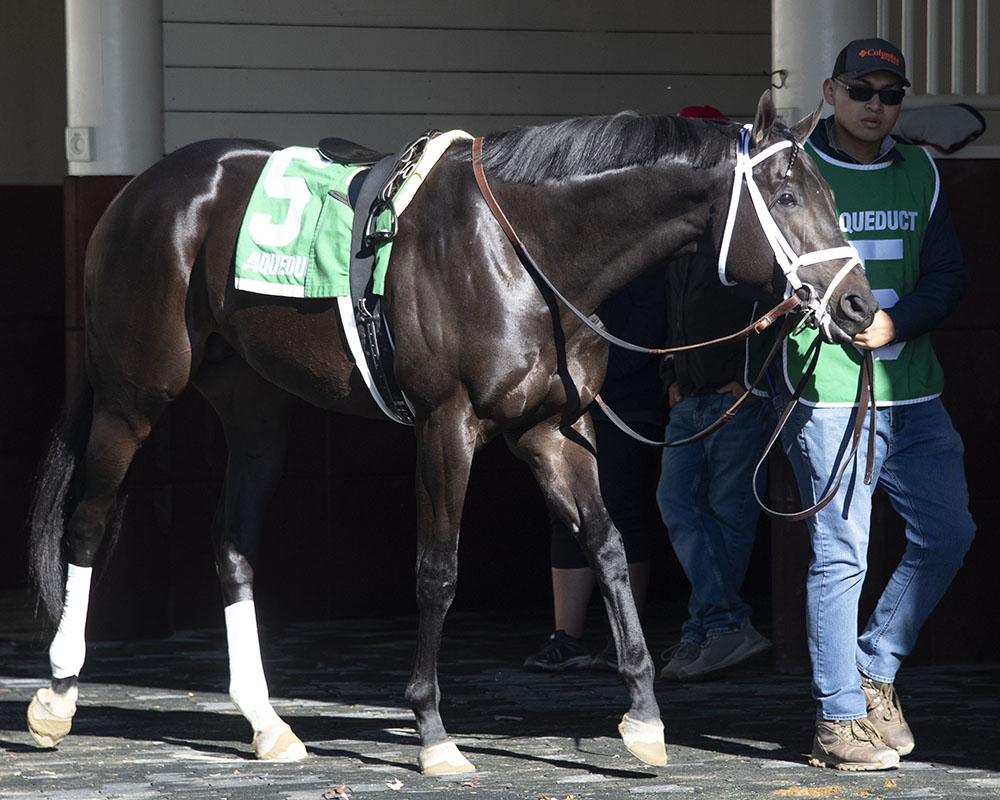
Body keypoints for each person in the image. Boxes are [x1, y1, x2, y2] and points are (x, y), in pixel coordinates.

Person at [761, 38, 976, 770]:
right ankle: (837, 719)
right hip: (824, 397)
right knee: (839, 555)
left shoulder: (920, 170)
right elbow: (749, 270)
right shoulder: (795, 170)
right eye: (862, 90)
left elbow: (948, 275)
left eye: (890, 94)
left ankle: (874, 668)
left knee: (950, 533)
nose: (875, 106)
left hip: (915, 393)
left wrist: (898, 322)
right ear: (830, 90)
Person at [655, 105, 776, 682]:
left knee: (726, 516)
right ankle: (723, 625)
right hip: (692, 398)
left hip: (734, 399)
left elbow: (777, 304)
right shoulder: (681, 235)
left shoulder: (743, 226)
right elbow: (670, 318)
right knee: (680, 506)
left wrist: (748, 381)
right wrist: (672, 382)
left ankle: (706, 630)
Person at [523, 268, 666, 672]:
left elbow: (644, 337)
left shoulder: (640, 274)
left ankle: (624, 638)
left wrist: (582, 374)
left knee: (619, 509)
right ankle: (566, 637)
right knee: (565, 512)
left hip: (626, 407)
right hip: (569, 407)